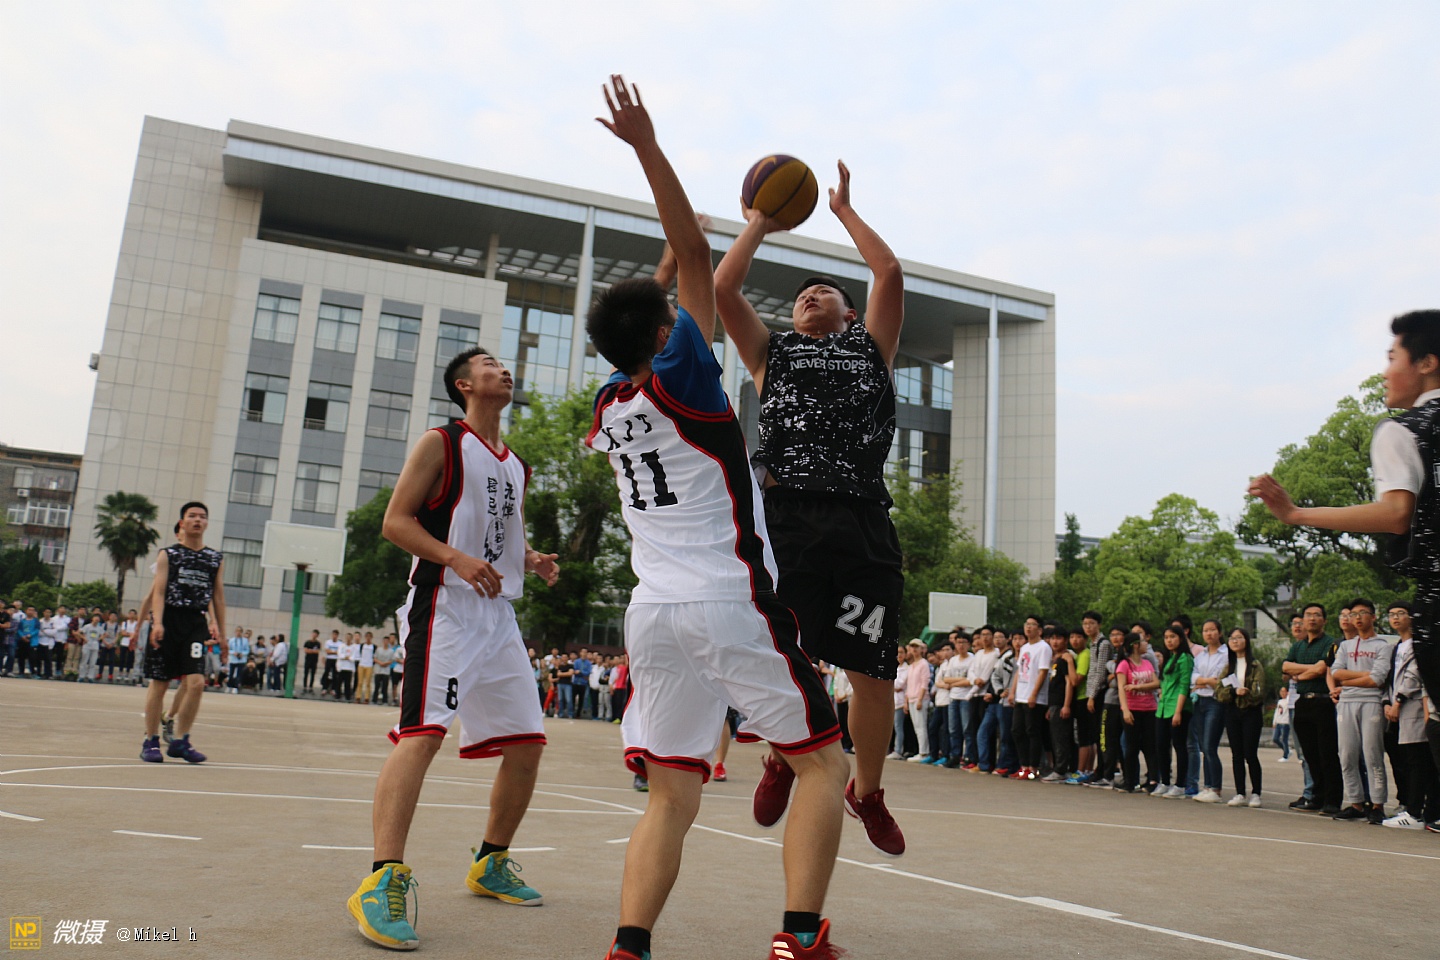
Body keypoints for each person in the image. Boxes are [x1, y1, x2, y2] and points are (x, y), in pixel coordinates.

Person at [585, 76, 847, 960]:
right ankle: (800, 938)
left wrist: (663, 279)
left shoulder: (612, 403)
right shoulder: (684, 378)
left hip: (652, 615)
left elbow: (655, 298)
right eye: (673, 319)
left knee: (670, 796)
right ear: (668, 337)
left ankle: (629, 946)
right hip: (727, 600)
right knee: (823, 761)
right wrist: (648, 148)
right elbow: (693, 254)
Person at [716, 132, 907, 861]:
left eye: (824, 291)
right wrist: (760, 222)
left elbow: (888, 272)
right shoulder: (773, 354)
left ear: (850, 315)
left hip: (861, 523)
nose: (809, 295)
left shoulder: (869, 350)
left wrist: (843, 211)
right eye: (801, 294)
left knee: (872, 672)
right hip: (788, 519)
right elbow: (726, 290)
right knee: (787, 655)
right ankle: (779, 759)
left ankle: (869, 791)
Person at [346, 302, 559, 950]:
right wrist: (455, 558)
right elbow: (396, 522)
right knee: (422, 735)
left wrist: (529, 558)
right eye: (490, 364)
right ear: (465, 384)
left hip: (497, 615)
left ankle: (491, 860)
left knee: (528, 742)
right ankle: (381, 879)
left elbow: (498, 536)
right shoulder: (441, 442)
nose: (503, 371)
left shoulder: (514, 464)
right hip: (444, 605)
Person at [1252, 311, 1440, 784]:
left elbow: (1395, 513)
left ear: (1427, 363)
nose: (1385, 372)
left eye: (1392, 358)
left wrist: (1296, 514)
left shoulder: (1404, 430)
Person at [141, 503, 224, 763]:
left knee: (196, 683)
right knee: (160, 682)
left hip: (195, 624)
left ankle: (181, 740)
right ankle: (151, 740)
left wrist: (221, 630)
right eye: (192, 516)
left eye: (202, 517)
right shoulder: (168, 555)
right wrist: (157, 622)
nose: (198, 520)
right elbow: (158, 593)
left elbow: (218, 597)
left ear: (207, 523)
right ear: (182, 522)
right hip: (169, 620)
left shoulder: (214, 559)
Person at [1328, 598, 1393, 823]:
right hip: (1347, 702)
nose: (1357, 618)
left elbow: (1377, 679)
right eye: (1353, 614)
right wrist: (1361, 676)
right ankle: (1356, 802)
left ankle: (1377, 804)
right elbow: (1336, 672)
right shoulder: (1345, 646)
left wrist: (1348, 680)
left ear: (1373, 617)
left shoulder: (1383, 646)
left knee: (1372, 753)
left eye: (1362, 613)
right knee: (1346, 754)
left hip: (1371, 702)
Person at [1383, 602, 1439, 828]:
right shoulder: (1396, 647)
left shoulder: (1419, 645)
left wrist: (1398, 700)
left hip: (1413, 706)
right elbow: (1390, 677)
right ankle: (1416, 809)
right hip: (1398, 709)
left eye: (1401, 613)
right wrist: (1387, 702)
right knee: (1408, 760)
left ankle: (1415, 813)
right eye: (1391, 615)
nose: (1395, 618)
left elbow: (1415, 675)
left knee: (1419, 761)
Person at [1215, 627, 1266, 808]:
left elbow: (1259, 692)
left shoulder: (1255, 665)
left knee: (1250, 753)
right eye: (1232, 638)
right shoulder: (1228, 667)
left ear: (1246, 641)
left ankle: (1256, 793)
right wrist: (1233, 692)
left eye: (1239, 638)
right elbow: (1219, 691)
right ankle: (1240, 793)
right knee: (1236, 754)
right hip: (1232, 711)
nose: (1235, 641)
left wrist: (1247, 693)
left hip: (1251, 712)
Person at [1188, 619, 1230, 803]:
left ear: (1219, 632)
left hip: (1216, 701)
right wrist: (1206, 681)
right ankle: (1207, 786)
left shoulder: (1226, 654)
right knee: (1204, 747)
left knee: (1210, 745)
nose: (1209, 633)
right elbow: (1194, 677)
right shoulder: (1201, 655)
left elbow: (1221, 679)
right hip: (1200, 701)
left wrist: (1203, 681)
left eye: (1212, 630)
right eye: (1205, 630)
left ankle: (1216, 788)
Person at [1008, 617, 1052, 781]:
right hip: (1021, 695)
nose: (1028, 628)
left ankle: (1033, 768)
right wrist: (1012, 692)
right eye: (1027, 624)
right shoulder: (1025, 647)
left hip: (1035, 698)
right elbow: (1019, 671)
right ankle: (1024, 766)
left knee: (1032, 732)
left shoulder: (1043, 647)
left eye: (1032, 625)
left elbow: (1043, 672)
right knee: (1017, 730)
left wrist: (1034, 693)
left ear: (1039, 630)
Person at [1115, 632, 1160, 793]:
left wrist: (1138, 687)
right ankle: (1130, 781)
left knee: (1150, 745)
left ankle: (1153, 780)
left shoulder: (1147, 663)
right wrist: (1125, 710)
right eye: (1142, 641)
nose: (1146, 644)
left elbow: (1156, 683)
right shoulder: (1124, 665)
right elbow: (1121, 688)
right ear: (1135, 645)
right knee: (1132, 747)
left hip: (1149, 708)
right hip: (1132, 708)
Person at [1154, 625, 1193, 797]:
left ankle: (1180, 784)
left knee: (1179, 745)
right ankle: (1164, 781)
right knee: (1161, 745)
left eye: (1173, 637)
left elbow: (1184, 685)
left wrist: (1178, 712)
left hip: (1178, 708)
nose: (1169, 641)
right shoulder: (1170, 658)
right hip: (1163, 708)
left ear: (1181, 638)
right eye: (1166, 637)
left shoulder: (1185, 658)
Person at [1043, 626, 1077, 782]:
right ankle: (1060, 768)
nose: (1054, 642)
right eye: (1052, 638)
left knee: (1060, 739)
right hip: (1054, 704)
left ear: (1065, 640)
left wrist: (1066, 705)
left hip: (1061, 704)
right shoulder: (1056, 660)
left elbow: (1069, 683)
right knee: (1055, 738)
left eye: (1058, 638)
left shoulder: (1065, 659)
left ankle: (1061, 770)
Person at [227, 626, 250, 693]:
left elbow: (247, 650)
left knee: (238, 674)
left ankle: (236, 687)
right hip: (233, 659)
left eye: (240, 631)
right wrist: (233, 653)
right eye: (237, 631)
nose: (238, 633)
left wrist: (242, 653)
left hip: (241, 659)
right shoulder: (231, 640)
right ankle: (229, 686)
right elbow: (229, 649)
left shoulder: (245, 640)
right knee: (231, 673)